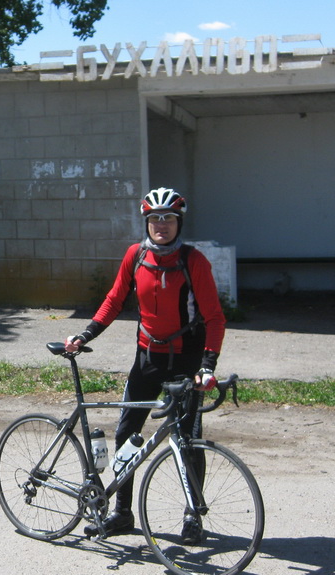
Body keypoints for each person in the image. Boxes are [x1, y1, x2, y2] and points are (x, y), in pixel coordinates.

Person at [64, 187, 226, 540]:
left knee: (187, 439)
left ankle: (193, 515)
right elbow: (114, 299)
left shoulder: (193, 261)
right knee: (126, 434)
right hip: (147, 359)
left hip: (186, 361)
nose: (161, 224)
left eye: (168, 218)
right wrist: (86, 335)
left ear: (179, 222)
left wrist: (207, 365)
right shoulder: (135, 255)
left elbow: (214, 318)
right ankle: (122, 513)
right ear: (147, 222)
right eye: (155, 218)